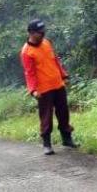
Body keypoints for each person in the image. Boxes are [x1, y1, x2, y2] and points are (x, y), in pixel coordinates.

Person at [20, 19, 77, 155]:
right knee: (46, 116)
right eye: (40, 32)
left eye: (43, 31)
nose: (43, 34)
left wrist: (63, 75)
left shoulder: (47, 42)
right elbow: (29, 73)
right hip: (43, 89)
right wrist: (33, 90)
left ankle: (67, 139)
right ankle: (47, 144)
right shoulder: (26, 52)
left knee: (63, 112)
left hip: (58, 84)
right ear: (31, 33)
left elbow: (55, 60)